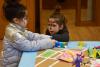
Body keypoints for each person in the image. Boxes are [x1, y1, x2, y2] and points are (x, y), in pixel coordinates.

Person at [2, 0, 56, 67]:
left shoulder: (16, 27)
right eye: (25, 18)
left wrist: (47, 37)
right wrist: (48, 43)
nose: (27, 20)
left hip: (19, 60)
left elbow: (32, 36)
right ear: (16, 20)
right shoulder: (14, 34)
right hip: (13, 65)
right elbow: (29, 46)